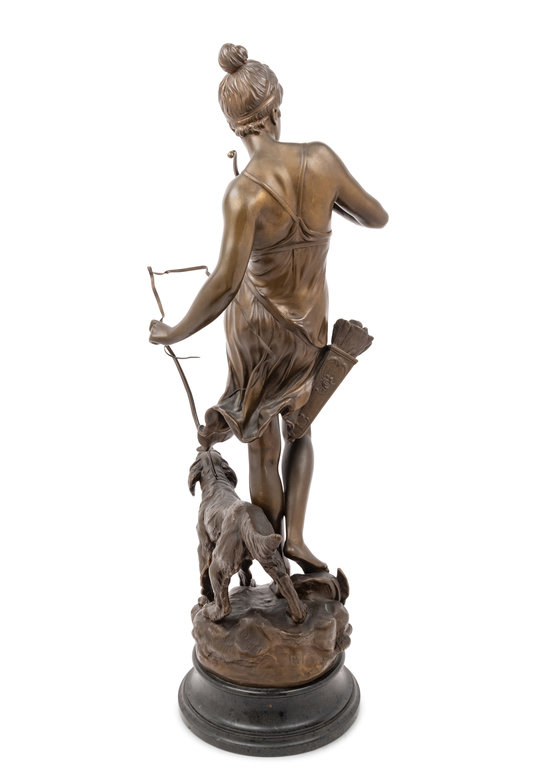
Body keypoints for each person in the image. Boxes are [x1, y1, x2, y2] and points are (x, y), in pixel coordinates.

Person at [149, 43, 388, 573]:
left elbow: (224, 284)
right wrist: (326, 204)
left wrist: (175, 330)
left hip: (257, 332)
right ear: (277, 108)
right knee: (301, 426)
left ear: (235, 127)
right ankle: (295, 537)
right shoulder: (321, 160)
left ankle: (272, 552)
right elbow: (376, 216)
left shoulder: (243, 194)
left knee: (260, 443)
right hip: (309, 326)